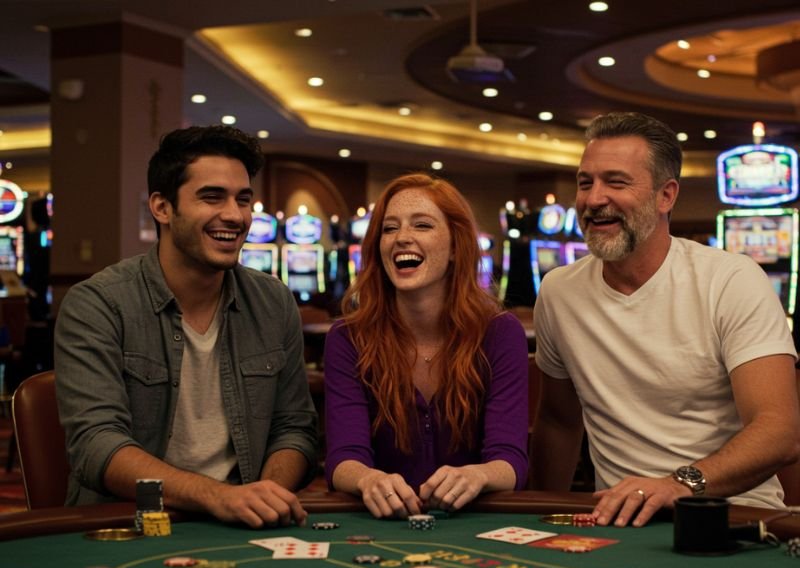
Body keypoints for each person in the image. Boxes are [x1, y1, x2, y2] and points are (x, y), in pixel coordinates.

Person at [531, 112, 800, 527]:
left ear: (666, 196)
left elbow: (780, 431)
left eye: (616, 182)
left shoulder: (731, 279)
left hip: (736, 519)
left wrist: (678, 484)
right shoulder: (558, 290)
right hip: (620, 520)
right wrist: (539, 516)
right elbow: (559, 422)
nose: (594, 198)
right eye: (586, 183)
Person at [55, 125, 318, 528]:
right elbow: (97, 444)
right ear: (161, 207)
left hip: (242, 520)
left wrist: (265, 496)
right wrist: (218, 496)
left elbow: (294, 428)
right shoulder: (99, 304)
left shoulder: (273, 301)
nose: (234, 215)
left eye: (243, 199)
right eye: (212, 197)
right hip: (129, 521)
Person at [324, 173, 529, 519]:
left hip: (473, 521)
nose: (402, 238)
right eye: (389, 229)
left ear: (454, 247)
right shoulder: (348, 338)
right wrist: (367, 479)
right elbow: (344, 457)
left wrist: (477, 475)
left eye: (422, 225)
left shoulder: (499, 333)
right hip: (384, 522)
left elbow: (510, 460)